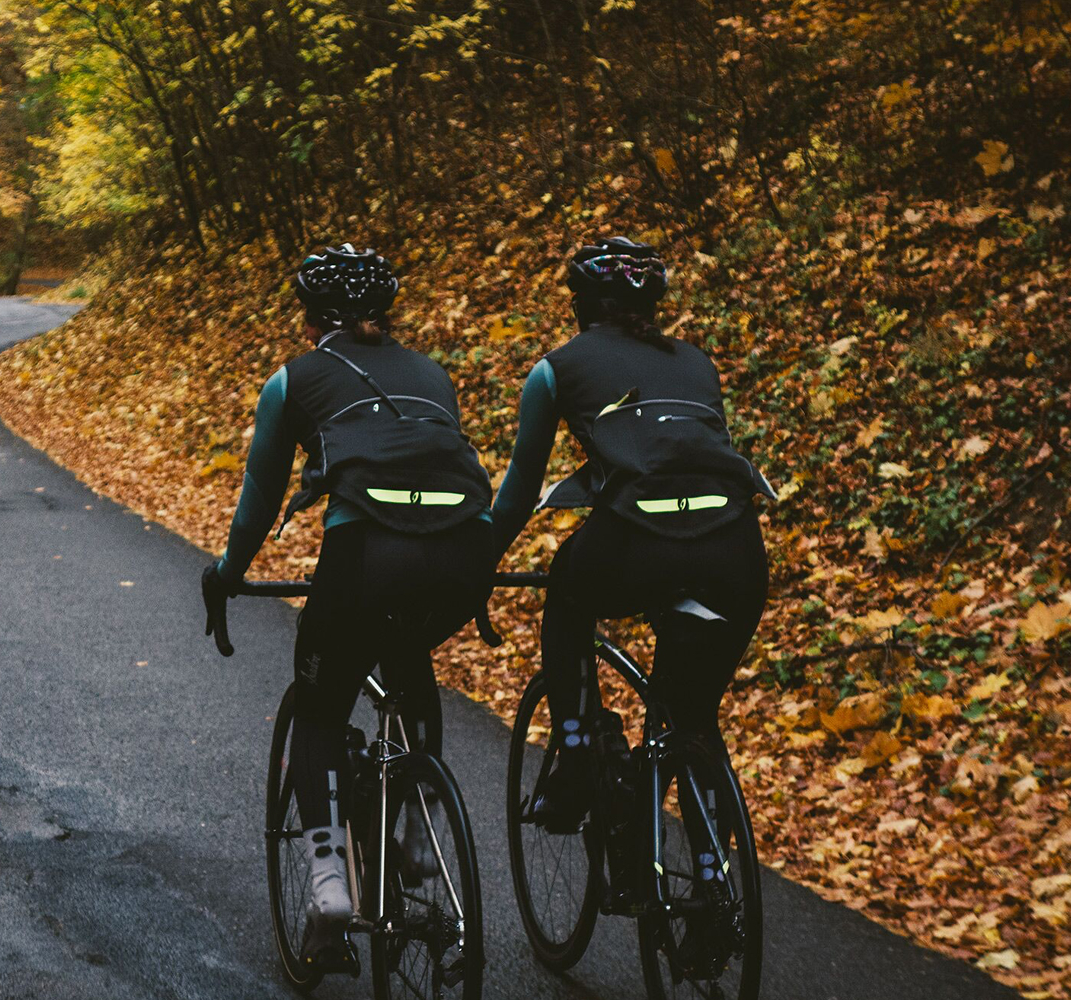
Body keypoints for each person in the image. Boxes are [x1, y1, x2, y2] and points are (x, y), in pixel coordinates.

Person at [201, 243, 494, 970]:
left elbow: (261, 500)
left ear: (308, 316)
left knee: (322, 703)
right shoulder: (431, 373)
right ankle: (422, 834)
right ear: (385, 313)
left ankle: (330, 885)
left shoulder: (295, 379)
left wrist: (227, 574)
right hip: (462, 558)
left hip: (366, 555)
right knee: (407, 656)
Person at [489, 236, 774, 839]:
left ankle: (573, 757)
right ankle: (706, 888)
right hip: (736, 547)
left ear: (582, 306)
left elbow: (517, 493)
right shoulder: (697, 362)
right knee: (690, 715)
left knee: (566, 597)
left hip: (636, 540)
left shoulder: (557, 368)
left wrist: (477, 561)